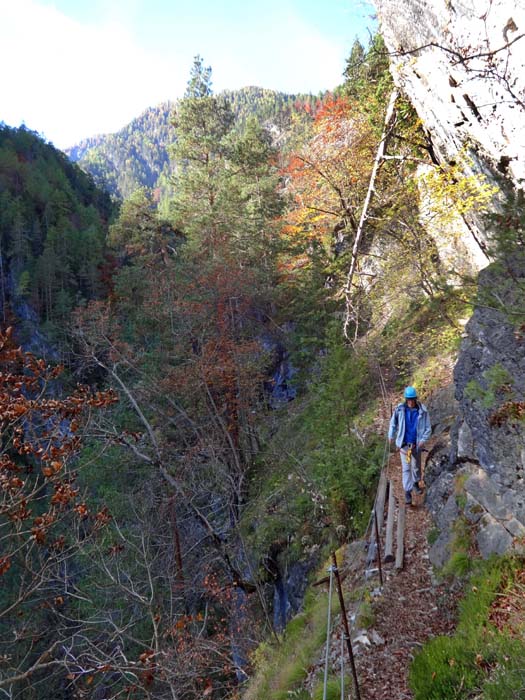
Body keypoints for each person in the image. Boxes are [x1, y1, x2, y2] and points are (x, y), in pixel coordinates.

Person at [388, 386, 431, 505]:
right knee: (406, 469)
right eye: (409, 399)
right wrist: (391, 435)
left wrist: (423, 440)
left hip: (416, 444)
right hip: (404, 445)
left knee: (416, 466)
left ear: (416, 399)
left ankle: (416, 483)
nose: (411, 402)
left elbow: (428, 428)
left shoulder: (423, 411)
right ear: (406, 400)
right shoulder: (400, 410)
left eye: (412, 399)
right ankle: (407, 492)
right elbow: (393, 423)